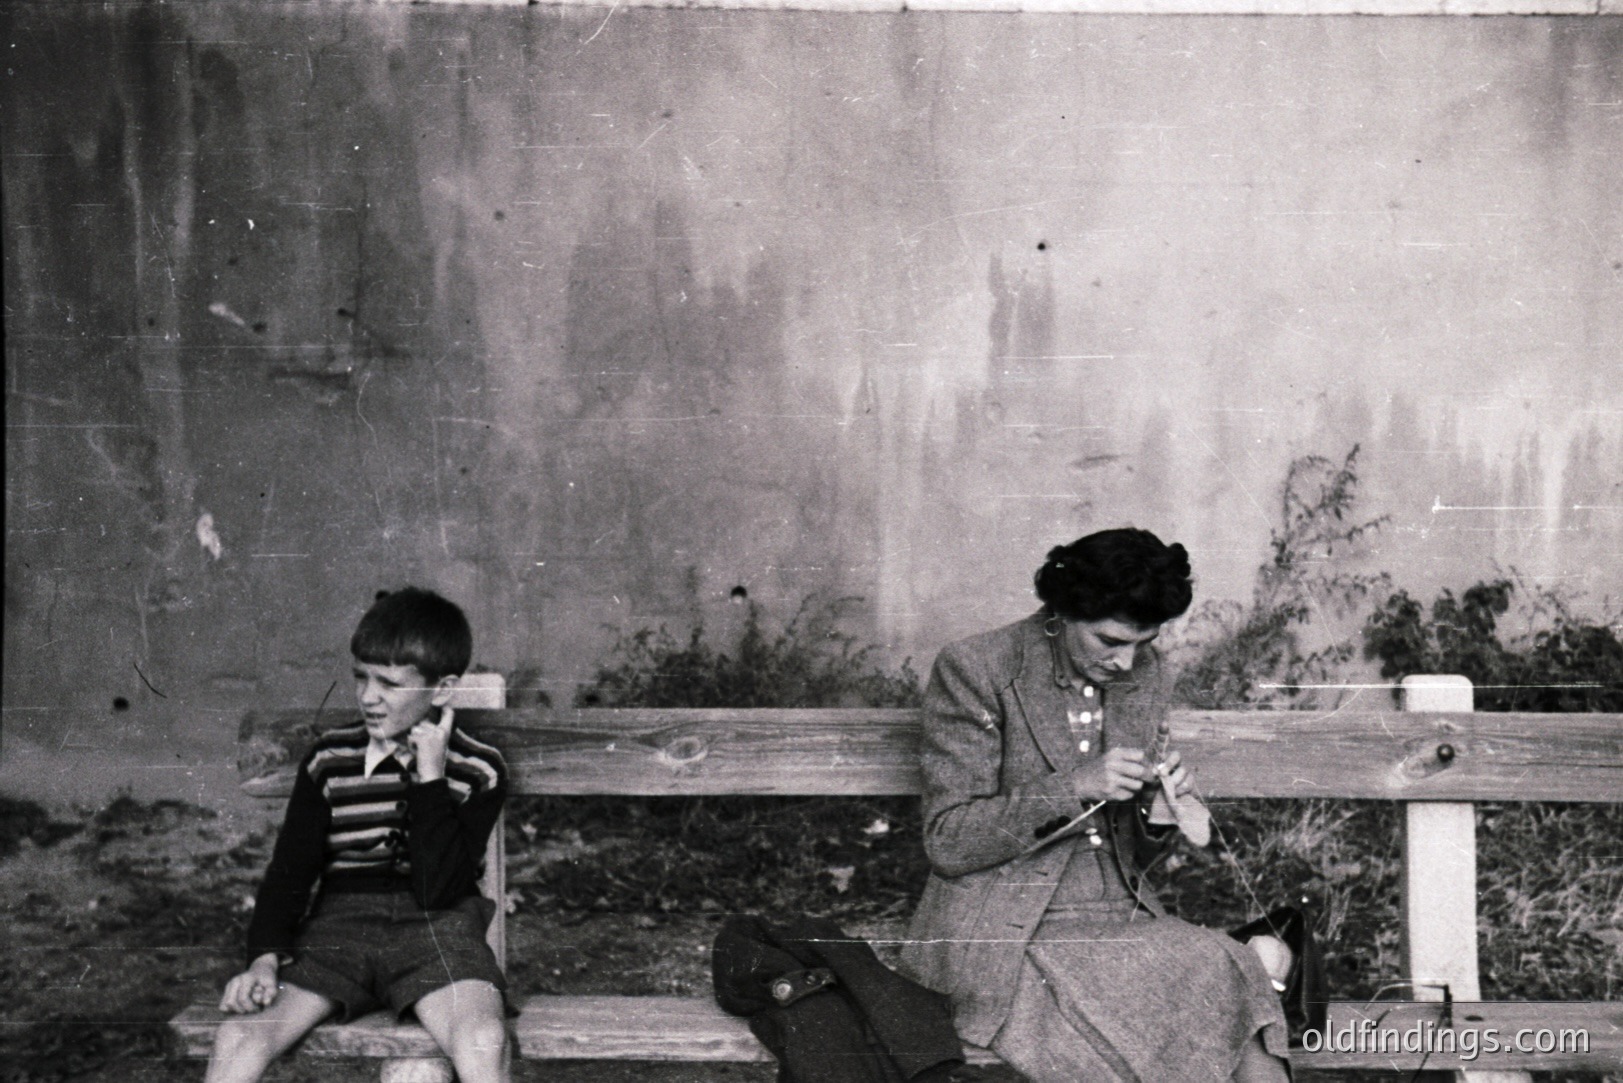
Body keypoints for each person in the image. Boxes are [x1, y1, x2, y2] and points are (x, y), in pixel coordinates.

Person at [902, 528, 1294, 1082]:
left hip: (1120, 915)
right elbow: (949, 839)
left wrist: (1158, 812)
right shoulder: (978, 668)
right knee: (1211, 972)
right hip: (1005, 926)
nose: (1127, 663)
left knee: (1224, 967)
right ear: (1061, 611)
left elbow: (1126, 850)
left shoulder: (1148, 673)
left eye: (1143, 643)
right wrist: (1073, 785)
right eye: (1111, 642)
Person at [206, 587, 510, 1083]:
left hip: (438, 930)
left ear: (443, 689)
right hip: (337, 932)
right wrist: (263, 960)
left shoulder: (479, 770)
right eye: (360, 678)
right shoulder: (330, 759)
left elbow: (441, 888)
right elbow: (290, 871)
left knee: (483, 1040)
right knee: (239, 1036)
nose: (369, 697)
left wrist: (431, 779)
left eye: (389, 684)